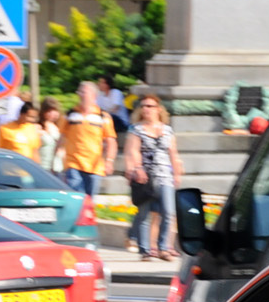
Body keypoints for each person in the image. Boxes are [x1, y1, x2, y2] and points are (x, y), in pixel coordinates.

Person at [125, 93, 183, 261]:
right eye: (143, 106)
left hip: (165, 175)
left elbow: (173, 152)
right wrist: (137, 168)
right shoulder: (136, 129)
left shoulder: (167, 130)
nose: (146, 109)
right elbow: (132, 151)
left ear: (158, 109)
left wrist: (177, 173)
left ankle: (164, 248)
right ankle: (145, 250)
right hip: (145, 177)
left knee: (169, 212)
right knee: (144, 214)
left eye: (149, 106)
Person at [63, 82, 116, 204]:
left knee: (89, 201)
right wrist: (56, 157)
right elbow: (62, 137)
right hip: (73, 163)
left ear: (93, 95)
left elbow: (110, 140)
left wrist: (109, 161)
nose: (80, 94)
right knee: (77, 198)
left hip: (95, 165)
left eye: (83, 92)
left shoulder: (103, 116)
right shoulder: (70, 114)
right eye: (79, 92)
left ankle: (86, 222)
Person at [37, 97, 65, 172]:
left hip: (58, 167)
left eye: (55, 110)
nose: (53, 114)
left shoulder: (60, 126)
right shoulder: (38, 127)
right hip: (43, 166)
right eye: (49, 111)